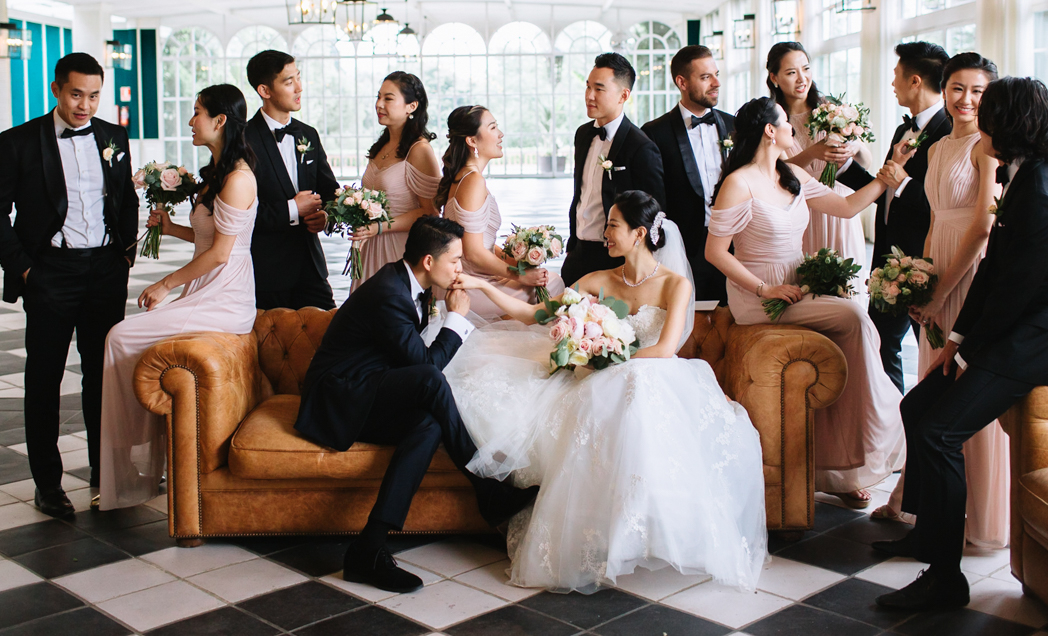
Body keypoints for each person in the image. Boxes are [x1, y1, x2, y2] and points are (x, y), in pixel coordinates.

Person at [447, 191, 767, 593]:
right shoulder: (597, 281)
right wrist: (480, 283)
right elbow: (534, 315)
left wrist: (612, 362)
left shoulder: (676, 285)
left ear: (640, 233)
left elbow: (665, 349)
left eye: (613, 226)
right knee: (621, 390)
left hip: (655, 375)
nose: (605, 235)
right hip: (598, 378)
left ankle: (650, 528)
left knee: (637, 386)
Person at [874, 77, 1048, 612]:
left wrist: (968, 355)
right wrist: (954, 341)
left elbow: (1014, 297)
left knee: (939, 434)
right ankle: (926, 535)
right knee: (916, 407)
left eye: (988, 112)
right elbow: (993, 273)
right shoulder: (1024, 177)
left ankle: (946, 578)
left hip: (1039, 345)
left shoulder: (1043, 195)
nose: (978, 122)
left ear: (1007, 124)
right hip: (1012, 332)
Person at [294, 216, 538, 594]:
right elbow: (426, 368)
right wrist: (456, 319)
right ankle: (487, 489)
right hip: (338, 399)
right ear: (428, 261)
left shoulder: (409, 284)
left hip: (369, 388)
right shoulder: (389, 293)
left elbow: (412, 360)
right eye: (455, 261)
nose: (460, 269)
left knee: (429, 424)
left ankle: (369, 547)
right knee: (430, 381)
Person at [705, 97, 904, 507]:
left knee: (850, 329)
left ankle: (842, 461)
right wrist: (764, 289)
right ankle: (884, 414)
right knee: (853, 315)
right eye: (786, 124)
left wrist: (885, 177)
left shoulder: (792, 173)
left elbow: (846, 208)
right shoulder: (738, 183)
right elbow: (715, 252)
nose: (793, 131)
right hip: (760, 297)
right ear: (769, 131)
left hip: (797, 285)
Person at [0, 53, 137, 519]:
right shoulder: (19, 141)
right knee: (45, 377)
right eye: (76, 94)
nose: (85, 105)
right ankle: (47, 484)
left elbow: (125, 199)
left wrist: (124, 256)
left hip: (105, 271)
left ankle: (105, 473)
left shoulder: (113, 136)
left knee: (103, 377)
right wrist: (25, 270)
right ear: (56, 90)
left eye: (94, 96)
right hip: (50, 273)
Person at [871, 54, 1010, 549]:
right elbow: (934, 218)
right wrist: (922, 280)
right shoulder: (938, 146)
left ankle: (978, 515)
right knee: (932, 387)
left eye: (977, 90)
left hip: (970, 274)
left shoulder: (987, 147)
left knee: (963, 387)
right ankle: (927, 504)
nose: (966, 99)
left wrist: (945, 290)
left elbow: (983, 226)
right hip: (939, 267)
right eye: (957, 88)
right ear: (944, 89)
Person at [98, 85, 258, 511]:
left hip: (226, 297)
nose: (191, 121)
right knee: (122, 340)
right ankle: (133, 455)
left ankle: (131, 453)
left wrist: (165, 284)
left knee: (119, 337)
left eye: (197, 112)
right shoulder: (218, 172)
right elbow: (208, 239)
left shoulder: (239, 179)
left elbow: (222, 254)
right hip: (206, 288)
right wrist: (170, 229)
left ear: (219, 121)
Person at [837, 41, 952, 392]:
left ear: (915, 81)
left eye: (896, 76)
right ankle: (893, 414)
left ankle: (931, 412)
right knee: (881, 342)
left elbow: (946, 204)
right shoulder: (904, 131)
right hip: (888, 258)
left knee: (932, 346)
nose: (892, 83)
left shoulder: (949, 132)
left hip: (925, 260)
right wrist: (842, 165)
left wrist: (904, 183)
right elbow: (885, 190)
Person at [437, 106, 562, 323]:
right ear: (472, 141)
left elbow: (481, 243)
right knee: (553, 284)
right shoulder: (473, 181)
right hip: (471, 284)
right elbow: (473, 253)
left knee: (545, 280)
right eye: (493, 127)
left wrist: (519, 262)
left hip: (476, 276)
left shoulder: (464, 176)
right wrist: (520, 275)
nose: (501, 134)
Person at [767, 42, 873, 295]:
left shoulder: (832, 109)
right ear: (774, 78)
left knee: (848, 289)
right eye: (791, 72)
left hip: (842, 208)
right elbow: (776, 171)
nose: (802, 78)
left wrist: (855, 147)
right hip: (802, 211)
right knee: (810, 290)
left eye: (806, 69)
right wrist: (812, 152)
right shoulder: (773, 120)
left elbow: (866, 162)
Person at [244, 50, 339, 310]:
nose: (299, 87)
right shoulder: (243, 140)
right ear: (264, 90)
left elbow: (330, 191)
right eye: (289, 82)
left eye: (298, 77)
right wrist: (293, 209)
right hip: (266, 272)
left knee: (330, 329)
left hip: (312, 268)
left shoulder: (308, 134)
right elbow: (239, 214)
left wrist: (326, 215)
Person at [641, 45, 734, 304]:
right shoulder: (654, 133)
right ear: (682, 82)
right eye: (705, 77)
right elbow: (653, 200)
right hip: (684, 250)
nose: (716, 83)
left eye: (716, 74)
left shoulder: (734, 125)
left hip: (734, 246)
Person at [563, 52, 665, 285]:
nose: (589, 96)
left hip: (615, 259)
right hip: (577, 254)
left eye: (599, 89)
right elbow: (581, 194)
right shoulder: (583, 134)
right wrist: (572, 246)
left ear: (623, 95)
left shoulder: (641, 146)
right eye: (588, 87)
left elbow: (654, 213)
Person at [347, 72, 441, 286]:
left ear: (411, 106)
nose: (379, 104)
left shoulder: (419, 150)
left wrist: (380, 227)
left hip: (401, 249)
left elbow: (430, 211)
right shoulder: (380, 147)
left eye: (388, 98)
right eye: (378, 97)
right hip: (371, 246)